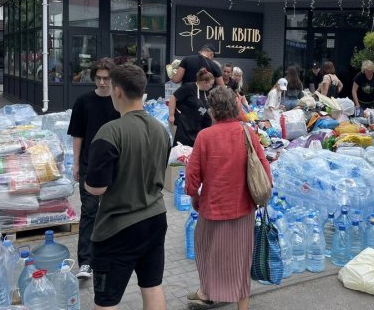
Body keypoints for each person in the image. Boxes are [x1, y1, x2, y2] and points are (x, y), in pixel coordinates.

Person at [85, 64, 171, 310]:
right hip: (156, 218)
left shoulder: (110, 131)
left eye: (111, 87)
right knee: (152, 286)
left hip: (118, 227)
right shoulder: (160, 130)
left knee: (107, 300)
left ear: (118, 91)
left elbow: (97, 188)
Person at [185, 86, 272, 310]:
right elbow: (264, 168)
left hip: (212, 208)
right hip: (243, 208)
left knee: (208, 253)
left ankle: (208, 292)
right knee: (240, 261)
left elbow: (192, 179)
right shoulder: (247, 132)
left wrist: (195, 197)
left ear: (213, 110)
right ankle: (241, 306)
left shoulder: (205, 136)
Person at [66, 58, 120, 279]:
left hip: (116, 166)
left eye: (106, 79)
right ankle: (86, 262)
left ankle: (110, 256)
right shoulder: (83, 102)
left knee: (113, 211)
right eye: (98, 78)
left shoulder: (120, 102)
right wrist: (76, 163)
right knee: (89, 212)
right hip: (89, 165)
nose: (101, 82)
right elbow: (78, 135)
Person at [168, 68, 215, 147]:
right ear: (204, 82)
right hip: (183, 124)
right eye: (210, 84)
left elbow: (206, 108)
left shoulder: (206, 92)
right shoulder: (189, 87)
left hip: (196, 125)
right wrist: (171, 115)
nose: (211, 86)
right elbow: (173, 98)